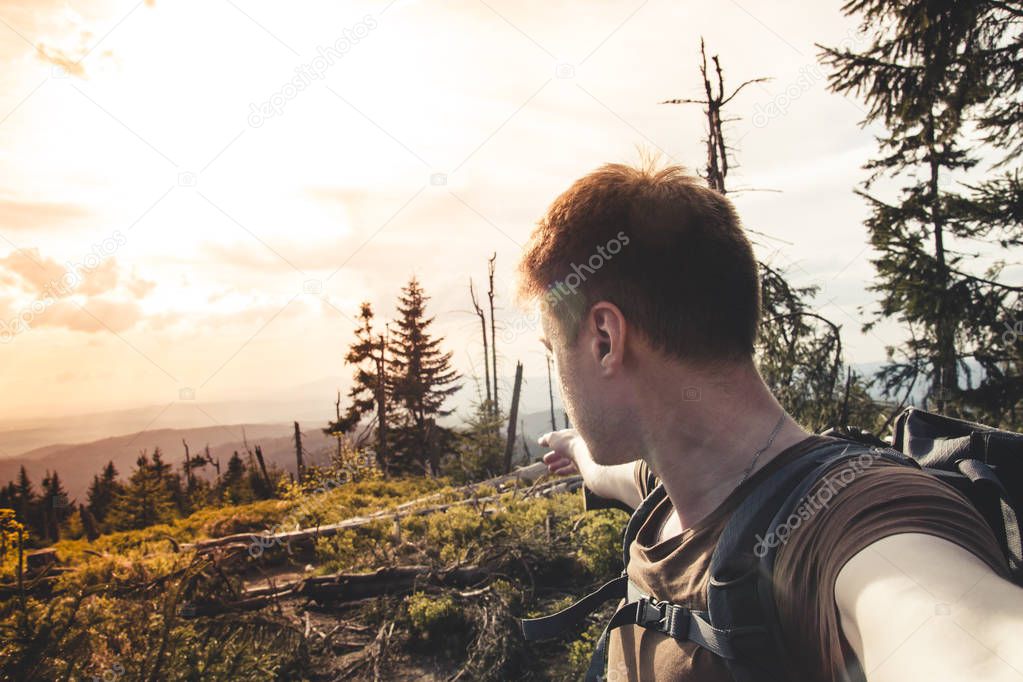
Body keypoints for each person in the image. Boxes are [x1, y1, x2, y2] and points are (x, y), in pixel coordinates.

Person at [517, 161, 1023, 681]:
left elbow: (972, 641)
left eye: (553, 349)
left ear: (604, 339)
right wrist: (571, 444)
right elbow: (600, 470)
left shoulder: (852, 518)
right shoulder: (669, 484)